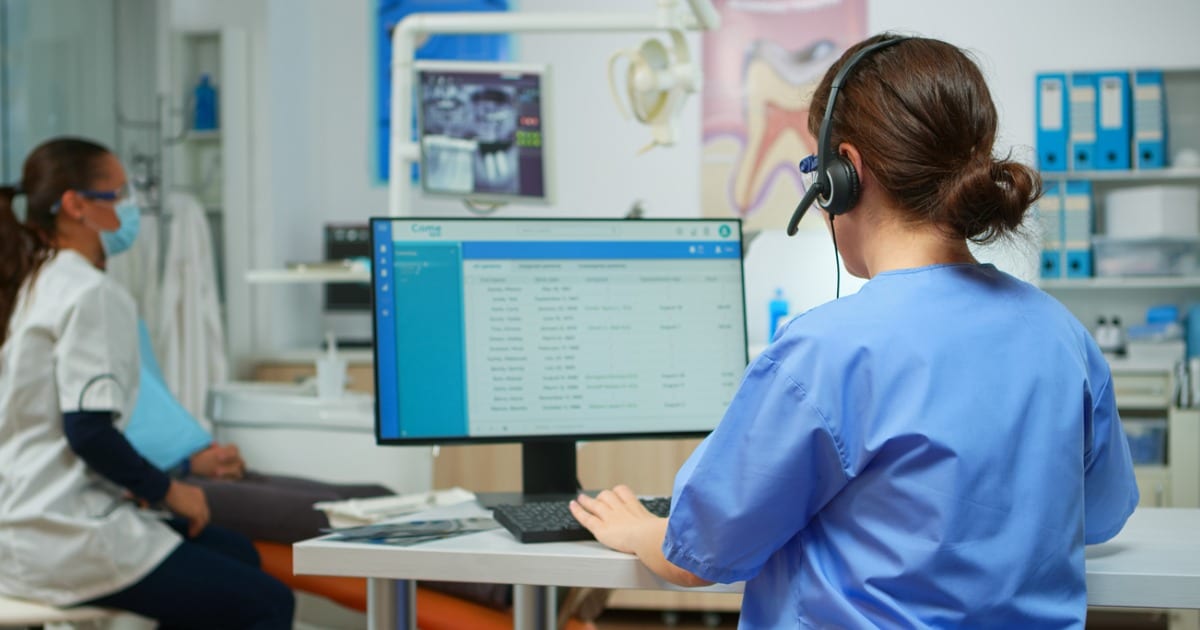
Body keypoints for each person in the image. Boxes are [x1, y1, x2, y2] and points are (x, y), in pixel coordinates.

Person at [568, 34, 1139, 628]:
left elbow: (702, 551)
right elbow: (1101, 515)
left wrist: (641, 530)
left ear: (846, 172)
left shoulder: (825, 352)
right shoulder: (1061, 335)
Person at [0, 137, 293, 628]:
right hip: (64, 534)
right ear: (75, 206)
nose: (129, 208)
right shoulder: (88, 291)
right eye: (119, 195)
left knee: (236, 553)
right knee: (267, 603)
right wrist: (169, 490)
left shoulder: (31, 282)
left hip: (25, 522)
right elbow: (89, 431)